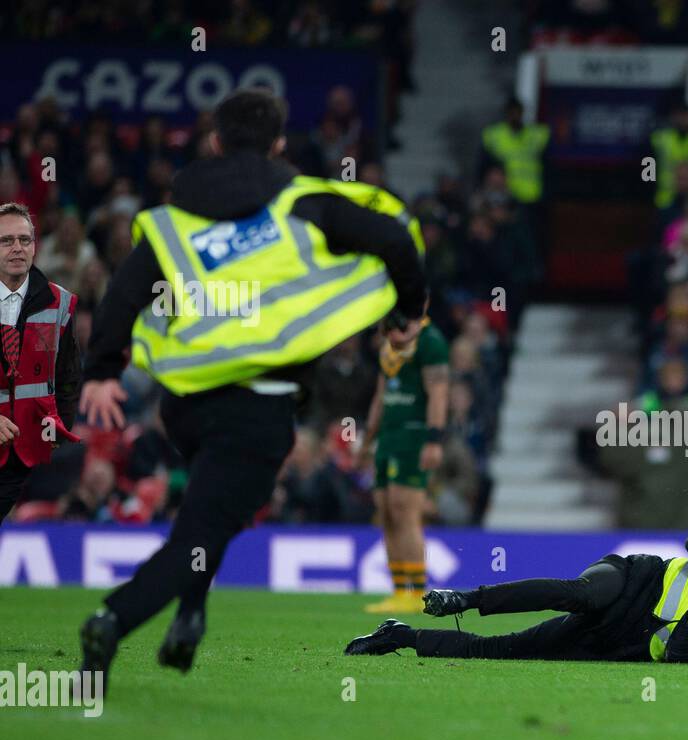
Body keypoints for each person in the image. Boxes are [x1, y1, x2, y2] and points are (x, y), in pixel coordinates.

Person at [77, 89, 426, 690]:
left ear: (215, 142)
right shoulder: (305, 202)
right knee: (204, 529)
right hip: (256, 406)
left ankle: (191, 614)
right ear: (279, 144)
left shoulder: (175, 219)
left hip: (185, 403)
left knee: (209, 511)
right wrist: (407, 314)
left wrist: (105, 369)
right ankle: (113, 619)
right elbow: (396, 241)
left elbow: (123, 293)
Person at [344, 529, 688, 666]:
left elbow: (679, 655)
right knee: (582, 595)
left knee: (506, 651)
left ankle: (403, 635)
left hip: (627, 643)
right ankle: (466, 598)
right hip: (634, 581)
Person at [357, 310, 449, 613]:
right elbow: (380, 395)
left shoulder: (429, 341)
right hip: (388, 437)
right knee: (385, 511)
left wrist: (434, 439)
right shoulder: (389, 345)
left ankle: (418, 592)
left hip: (414, 436)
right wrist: (366, 441)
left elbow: (438, 392)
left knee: (405, 511)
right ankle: (399, 590)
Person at [0, 203, 82, 521]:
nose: (17, 248)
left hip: (32, 452)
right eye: (6, 241)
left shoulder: (60, 302)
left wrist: (60, 429)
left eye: (25, 239)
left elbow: (69, 374)